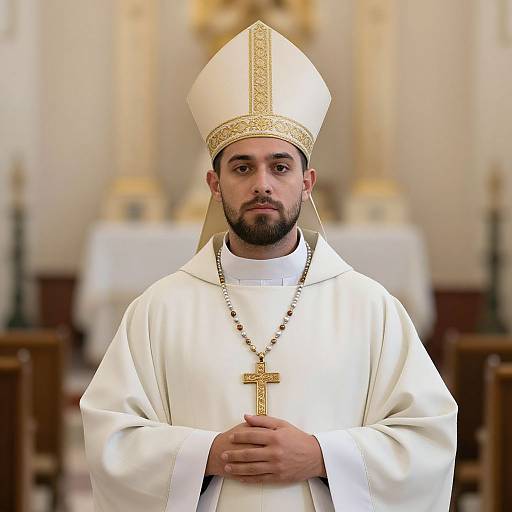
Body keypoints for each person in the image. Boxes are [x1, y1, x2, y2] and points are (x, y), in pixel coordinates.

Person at [80, 20, 457, 512]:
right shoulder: (158, 310)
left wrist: (322, 456)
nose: (263, 184)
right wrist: (205, 455)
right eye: (242, 167)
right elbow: (113, 440)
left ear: (307, 182)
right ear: (214, 184)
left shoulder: (372, 309)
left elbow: (426, 440)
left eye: (280, 167)